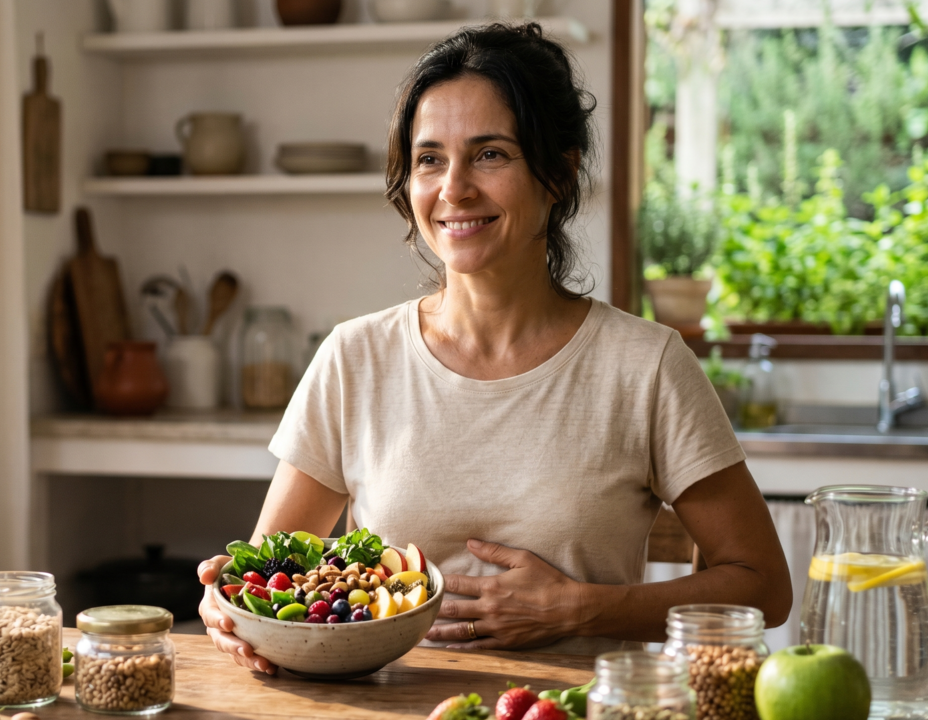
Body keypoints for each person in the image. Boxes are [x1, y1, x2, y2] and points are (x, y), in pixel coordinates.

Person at [198, 22, 791, 675]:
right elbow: (266, 571)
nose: (454, 188)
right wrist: (230, 602)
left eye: (490, 154)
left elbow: (764, 585)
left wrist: (583, 609)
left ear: (558, 174)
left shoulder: (644, 366)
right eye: (430, 159)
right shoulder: (353, 358)